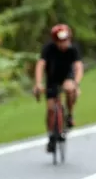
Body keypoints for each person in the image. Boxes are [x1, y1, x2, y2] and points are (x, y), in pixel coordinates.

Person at [34, 23, 83, 153]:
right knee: (50, 108)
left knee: (69, 89)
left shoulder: (73, 49)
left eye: (66, 40)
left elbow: (78, 67)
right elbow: (40, 65)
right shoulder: (48, 49)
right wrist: (38, 83)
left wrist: (76, 83)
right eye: (60, 41)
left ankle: (70, 115)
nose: (64, 44)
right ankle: (51, 136)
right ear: (55, 41)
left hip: (67, 76)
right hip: (52, 78)